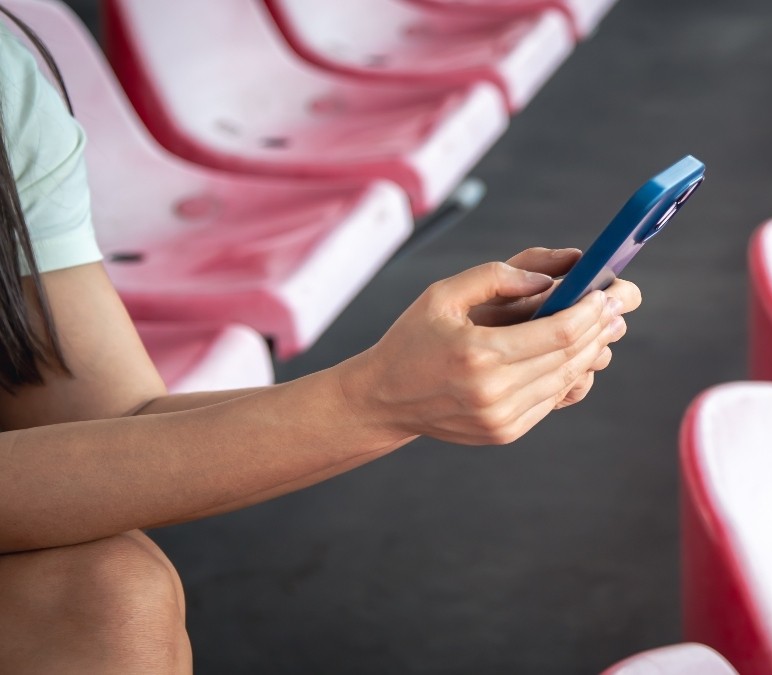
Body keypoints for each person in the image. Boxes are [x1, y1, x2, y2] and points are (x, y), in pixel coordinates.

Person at [0, 13, 640, 674]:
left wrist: (423, 384)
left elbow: (109, 430)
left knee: (108, 593)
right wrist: (375, 400)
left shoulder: (7, 76)